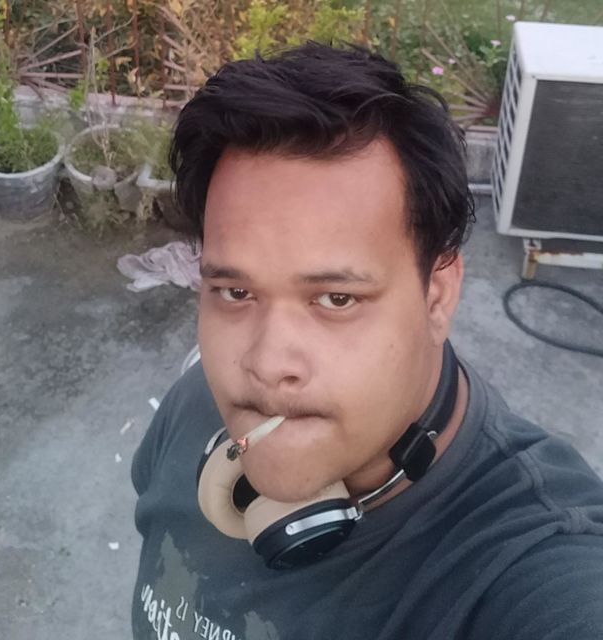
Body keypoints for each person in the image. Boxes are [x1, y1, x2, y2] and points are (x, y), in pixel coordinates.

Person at [131, 43, 603, 640]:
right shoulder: (194, 404)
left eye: (336, 299)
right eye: (236, 292)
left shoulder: (530, 563)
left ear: (437, 296)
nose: (267, 365)